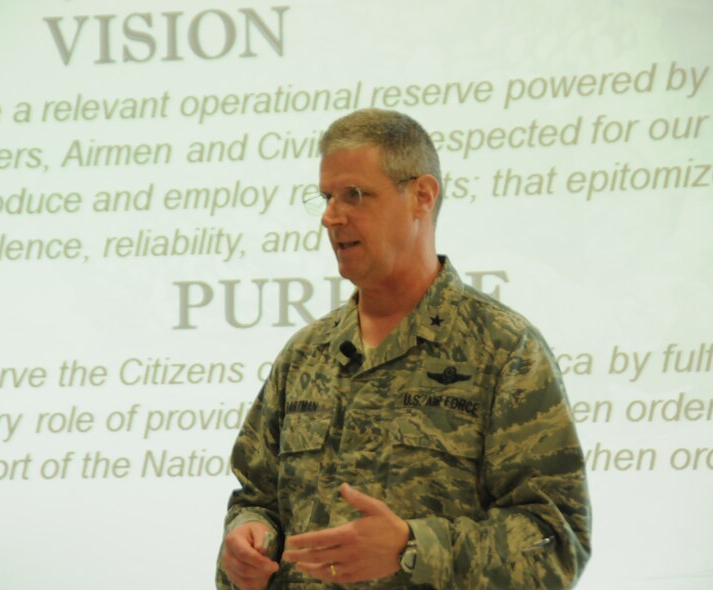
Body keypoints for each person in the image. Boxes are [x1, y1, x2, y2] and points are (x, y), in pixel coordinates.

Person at [217, 108, 591, 589]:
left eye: (355, 195)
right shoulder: (306, 355)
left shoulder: (504, 350)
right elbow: (256, 498)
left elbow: (556, 543)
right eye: (326, 197)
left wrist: (413, 549)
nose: (331, 216)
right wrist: (249, 539)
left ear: (421, 196)